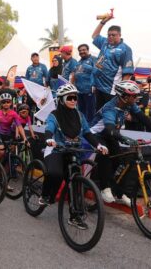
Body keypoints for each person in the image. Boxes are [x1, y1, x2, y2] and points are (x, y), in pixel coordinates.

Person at [90, 80, 151, 205]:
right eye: (134, 96)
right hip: (97, 135)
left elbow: (143, 118)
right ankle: (104, 188)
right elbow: (109, 129)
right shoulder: (110, 108)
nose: (136, 98)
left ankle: (119, 193)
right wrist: (125, 139)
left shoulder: (128, 104)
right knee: (105, 155)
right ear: (124, 96)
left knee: (122, 162)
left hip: (112, 134)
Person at [40, 84, 108, 223]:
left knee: (76, 183)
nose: (73, 100)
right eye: (69, 97)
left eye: (75, 97)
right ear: (61, 100)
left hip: (73, 151)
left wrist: (99, 145)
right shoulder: (54, 115)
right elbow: (50, 128)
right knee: (55, 174)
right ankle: (45, 195)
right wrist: (48, 138)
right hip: (56, 149)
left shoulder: (79, 115)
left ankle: (75, 216)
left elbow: (88, 133)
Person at [91, 17, 134, 110]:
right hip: (99, 87)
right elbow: (94, 36)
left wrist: (122, 91)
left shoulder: (125, 49)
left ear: (119, 35)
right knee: (99, 112)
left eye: (113, 35)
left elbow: (127, 72)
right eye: (109, 35)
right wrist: (103, 22)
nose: (110, 37)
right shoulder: (105, 43)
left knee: (110, 114)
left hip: (112, 89)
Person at [0, 93, 27, 166]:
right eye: (4, 102)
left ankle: (4, 171)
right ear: (1, 103)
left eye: (8, 102)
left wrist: (25, 138)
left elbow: (19, 126)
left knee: (11, 151)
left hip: (8, 133)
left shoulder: (14, 113)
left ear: (11, 103)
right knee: (1, 152)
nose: (6, 104)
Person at [73, 44, 97, 122]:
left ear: (87, 50)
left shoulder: (93, 59)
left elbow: (98, 72)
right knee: (81, 112)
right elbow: (75, 74)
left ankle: (90, 130)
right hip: (79, 92)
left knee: (90, 112)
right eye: (80, 50)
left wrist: (94, 86)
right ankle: (84, 128)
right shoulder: (78, 62)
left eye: (83, 50)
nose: (82, 52)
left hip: (90, 91)